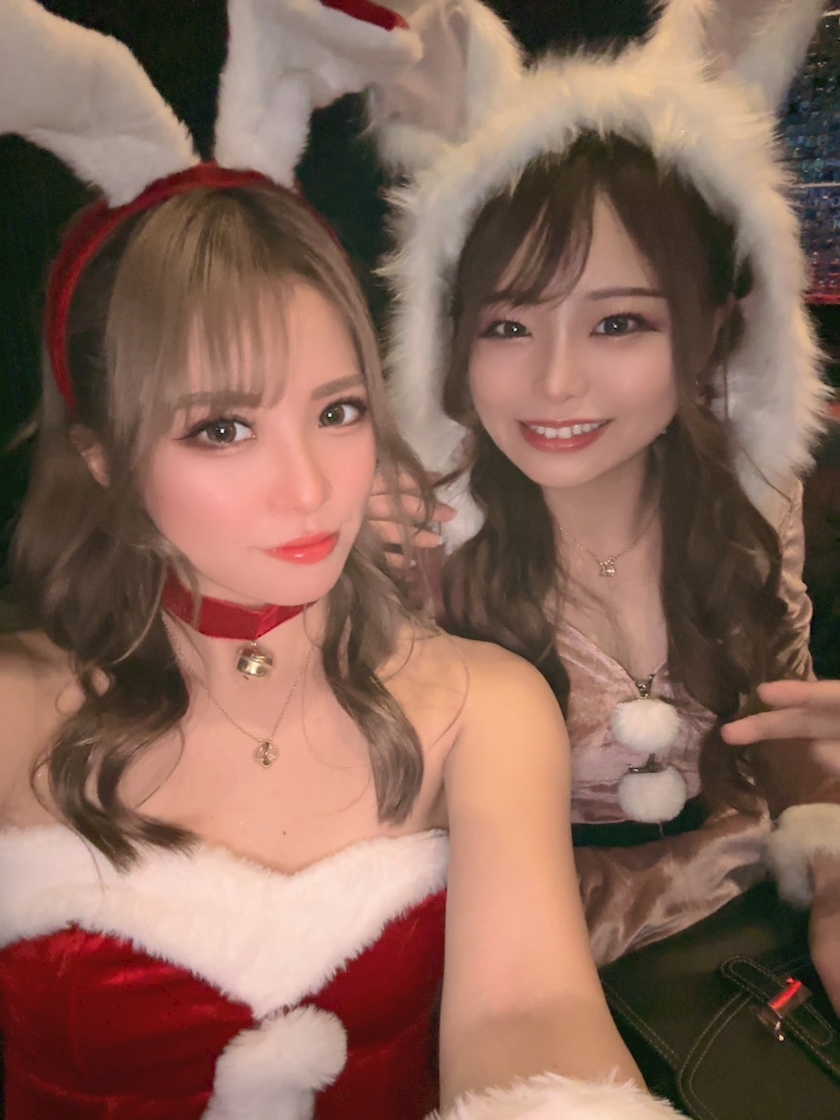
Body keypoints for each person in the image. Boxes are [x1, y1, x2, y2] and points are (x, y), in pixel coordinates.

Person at [0, 2, 690, 1118]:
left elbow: (529, 1017)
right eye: (224, 427)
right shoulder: (14, 710)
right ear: (106, 459)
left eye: (337, 410)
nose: (311, 485)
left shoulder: (484, 707)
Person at [369, 0, 840, 1007]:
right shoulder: (415, 532)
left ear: (712, 328)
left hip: (739, 946)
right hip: (499, 966)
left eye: (618, 322)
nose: (555, 383)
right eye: (508, 327)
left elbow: (785, 724)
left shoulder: (750, 495)